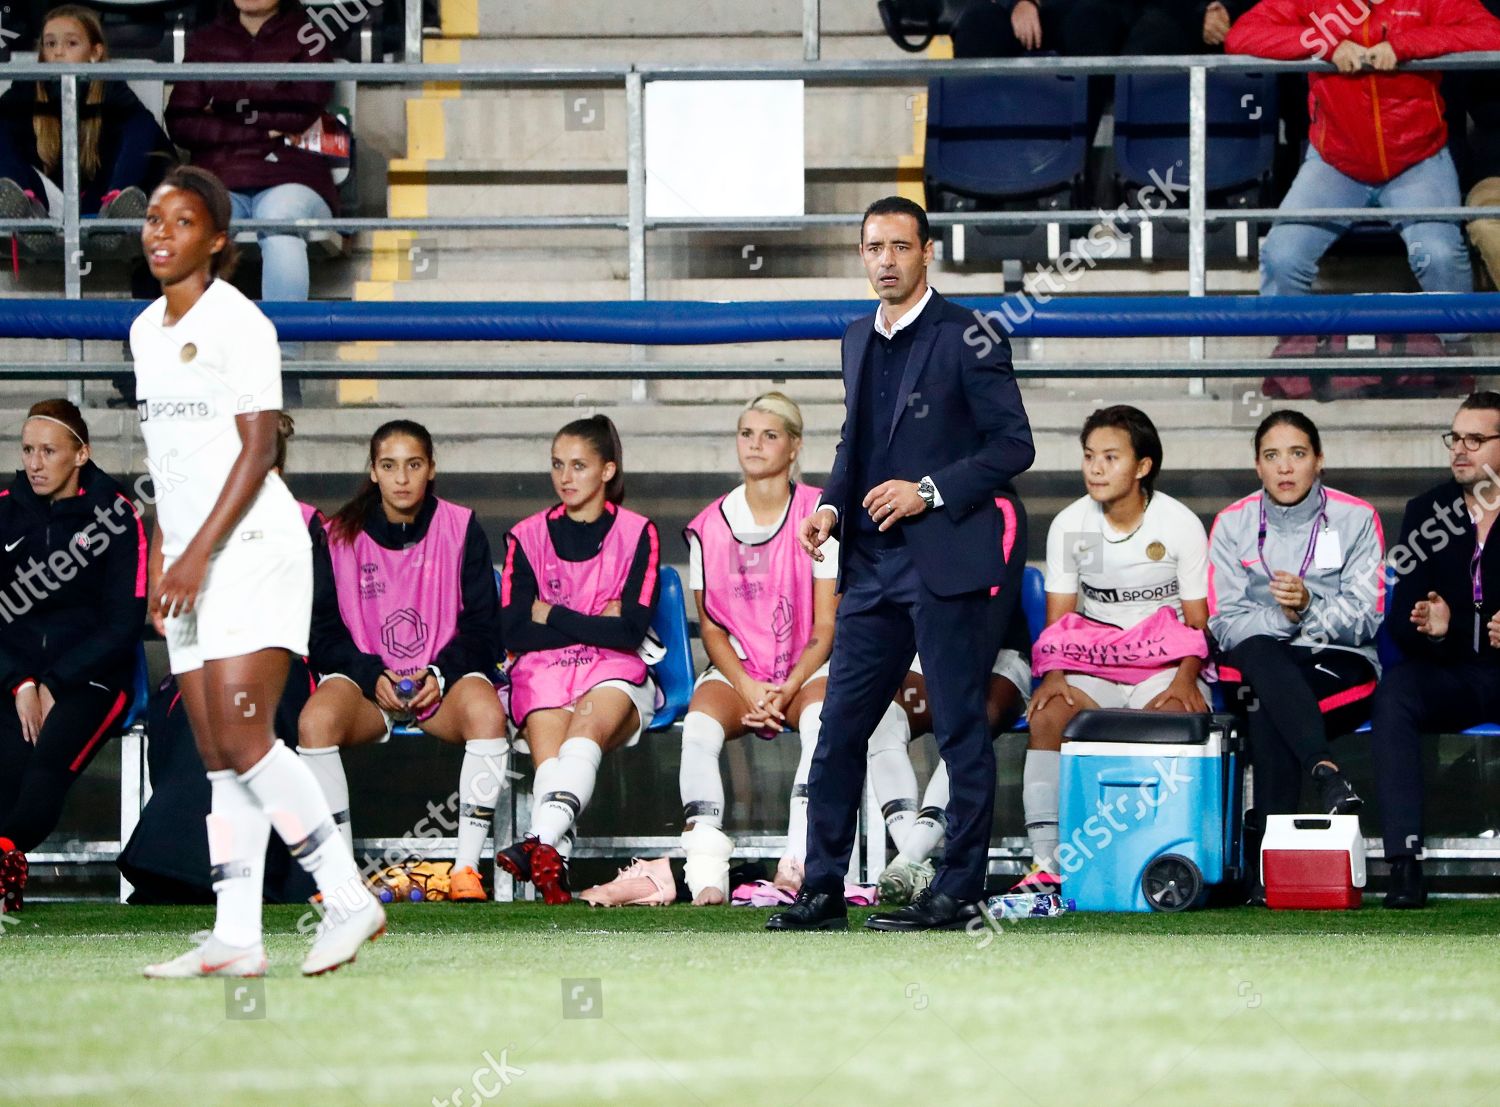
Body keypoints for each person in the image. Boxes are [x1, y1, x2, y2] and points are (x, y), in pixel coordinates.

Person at [130, 165, 381, 978]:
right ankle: (236, 933)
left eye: (181, 220)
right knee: (214, 749)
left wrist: (199, 550)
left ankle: (346, 898)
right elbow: (170, 462)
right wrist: (167, 547)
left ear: (216, 239)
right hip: (193, 553)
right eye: (154, 218)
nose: (161, 232)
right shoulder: (142, 332)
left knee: (245, 731)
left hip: (252, 547)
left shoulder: (241, 322)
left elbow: (259, 447)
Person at [767, 196, 1034, 933]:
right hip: (871, 567)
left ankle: (957, 891)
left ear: (927, 253)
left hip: (946, 561)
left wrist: (927, 492)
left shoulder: (970, 335)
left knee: (958, 729)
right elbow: (855, 446)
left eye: (899, 246)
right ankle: (821, 890)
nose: (885, 259)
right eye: (872, 247)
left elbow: (1014, 447)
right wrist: (828, 508)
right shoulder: (856, 337)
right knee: (838, 730)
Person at [581, 393, 838, 908]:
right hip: (741, 671)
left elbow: (826, 623)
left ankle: (798, 861)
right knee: (698, 727)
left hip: (806, 670)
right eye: (747, 433)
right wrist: (746, 685)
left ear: (795, 447)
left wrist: (786, 687)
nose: (755, 444)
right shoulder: (709, 525)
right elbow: (714, 629)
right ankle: (705, 871)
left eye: (770, 435)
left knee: (823, 725)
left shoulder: (820, 513)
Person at [297, 420, 509, 904]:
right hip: (367, 686)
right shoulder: (335, 536)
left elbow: (483, 629)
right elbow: (322, 633)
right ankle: (341, 879)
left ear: (431, 468)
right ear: (372, 472)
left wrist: (439, 673)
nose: (401, 478)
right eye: (389, 466)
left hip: (441, 685)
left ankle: (465, 871)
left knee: (487, 713)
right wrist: (372, 674)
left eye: (413, 465)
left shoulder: (461, 526)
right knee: (315, 722)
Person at [1021, 405, 1211, 894]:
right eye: (1089, 457)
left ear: (1143, 466)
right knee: (1048, 714)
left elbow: (1196, 623)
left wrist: (1185, 680)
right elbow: (1060, 622)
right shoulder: (1073, 525)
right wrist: (1055, 677)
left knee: (1173, 718)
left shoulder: (1178, 523)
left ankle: (1156, 862)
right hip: (1094, 664)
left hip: (1163, 665)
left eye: (1110, 457)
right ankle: (1046, 864)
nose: (1096, 469)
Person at [1227, 0, 1500, 328]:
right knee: (1283, 257)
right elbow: (1242, 36)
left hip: (1417, 157)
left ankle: (1459, 366)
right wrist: (1326, 44)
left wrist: (1406, 46)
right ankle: (1291, 366)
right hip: (1335, 161)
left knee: (1440, 257)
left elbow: (1491, 33)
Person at [1207, 410, 1385, 888]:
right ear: (1257, 467)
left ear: (1319, 460)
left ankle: (1262, 866)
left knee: (1269, 701)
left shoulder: (1357, 517)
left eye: (1298, 454)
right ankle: (1323, 772)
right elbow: (1225, 624)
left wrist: (1310, 607)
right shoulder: (1231, 523)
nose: (1285, 467)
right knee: (1263, 657)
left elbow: (1368, 617)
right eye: (1272, 456)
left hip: (1336, 660)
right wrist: (1281, 618)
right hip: (1254, 658)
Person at [497, 415, 662, 906]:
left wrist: (553, 613)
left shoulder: (638, 533)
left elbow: (630, 631)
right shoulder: (526, 536)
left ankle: (539, 843)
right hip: (545, 669)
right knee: (552, 761)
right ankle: (553, 867)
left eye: (579, 466)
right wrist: (594, 620)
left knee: (581, 736)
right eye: (557, 466)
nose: (565, 478)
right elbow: (512, 630)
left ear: (607, 470)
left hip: (613, 668)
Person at [0, 399, 147, 915]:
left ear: (80, 454)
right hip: (15, 677)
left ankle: (3, 858)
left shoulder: (117, 515)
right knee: (7, 766)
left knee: (45, 763)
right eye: (27, 451)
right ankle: (6, 869)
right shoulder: (4, 508)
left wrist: (55, 683)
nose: (35, 463)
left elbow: (123, 624)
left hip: (92, 678)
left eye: (48, 451)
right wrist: (20, 682)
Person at [1370, 392, 1500, 909]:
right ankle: (1404, 863)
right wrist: (1438, 629)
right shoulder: (1428, 512)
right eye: (1455, 438)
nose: (1460, 450)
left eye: (1476, 439)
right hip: (1451, 674)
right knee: (1397, 692)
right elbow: (1402, 619)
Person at [165, 0, 337, 375]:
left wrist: (222, 116)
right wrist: (261, 131)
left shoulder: (308, 34)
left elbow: (304, 108)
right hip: (221, 177)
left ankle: (282, 364)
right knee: (193, 227)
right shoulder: (207, 40)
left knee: (278, 218)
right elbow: (180, 120)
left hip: (293, 175)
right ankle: (197, 361)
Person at [869, 579, 1032, 907]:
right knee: (880, 720)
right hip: (923, 647)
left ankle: (908, 859)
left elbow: (994, 613)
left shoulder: (988, 533)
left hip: (996, 652)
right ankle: (912, 859)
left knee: (972, 721)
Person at [0, 5, 174, 247]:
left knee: (140, 124)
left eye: (71, 44)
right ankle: (26, 212)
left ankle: (115, 210)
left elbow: (155, 150)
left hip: (97, 199)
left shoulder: (111, 89)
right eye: (50, 44)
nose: (58, 52)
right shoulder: (27, 89)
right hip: (44, 201)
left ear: (95, 52)